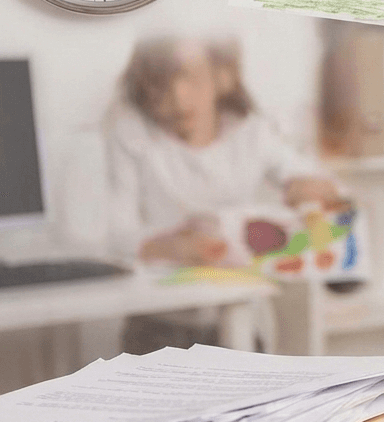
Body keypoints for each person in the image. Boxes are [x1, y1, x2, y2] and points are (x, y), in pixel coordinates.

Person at [105, 35, 341, 266]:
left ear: (222, 76)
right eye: (159, 83)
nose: (179, 98)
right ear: (142, 87)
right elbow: (116, 233)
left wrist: (308, 186)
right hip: (162, 286)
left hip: (238, 285)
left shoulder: (250, 133)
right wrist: (166, 247)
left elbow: (311, 179)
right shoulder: (131, 136)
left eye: (192, 78)